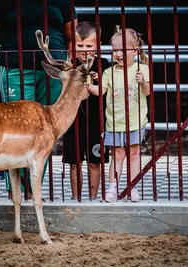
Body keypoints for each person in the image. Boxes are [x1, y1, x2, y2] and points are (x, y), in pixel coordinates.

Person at [0, 0, 78, 198]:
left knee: (46, 129)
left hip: (53, 71)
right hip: (14, 67)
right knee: (16, 127)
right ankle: (15, 190)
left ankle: (33, 188)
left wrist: (71, 71)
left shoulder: (63, 2)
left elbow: (72, 37)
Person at [88, 27, 150, 203]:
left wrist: (143, 82)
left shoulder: (142, 68)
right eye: (115, 50)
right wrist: (88, 86)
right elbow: (101, 91)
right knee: (117, 155)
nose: (118, 54)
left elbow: (147, 92)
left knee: (134, 154)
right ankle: (113, 188)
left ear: (135, 51)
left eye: (123, 50)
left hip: (136, 121)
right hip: (114, 122)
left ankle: (133, 187)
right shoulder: (109, 72)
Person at [63, 21, 110, 201]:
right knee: (74, 164)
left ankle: (92, 199)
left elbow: (106, 94)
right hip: (72, 121)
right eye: (80, 45)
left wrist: (99, 81)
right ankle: (76, 200)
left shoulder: (104, 65)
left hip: (96, 121)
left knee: (94, 162)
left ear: (97, 45)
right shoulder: (69, 65)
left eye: (89, 46)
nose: (84, 50)